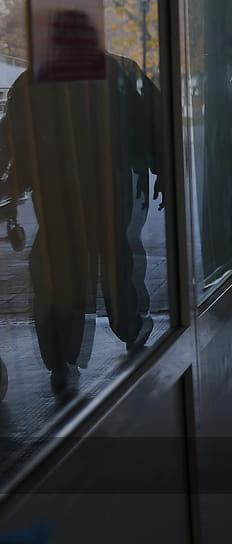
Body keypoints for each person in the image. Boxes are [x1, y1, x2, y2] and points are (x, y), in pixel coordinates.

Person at [0, 10, 164, 391]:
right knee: (117, 261)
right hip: (110, 192)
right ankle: (129, 328)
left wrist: (12, 179)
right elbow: (153, 125)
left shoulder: (32, 84)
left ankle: (63, 355)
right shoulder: (119, 74)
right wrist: (162, 171)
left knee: (59, 273)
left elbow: (12, 142)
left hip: (59, 199)